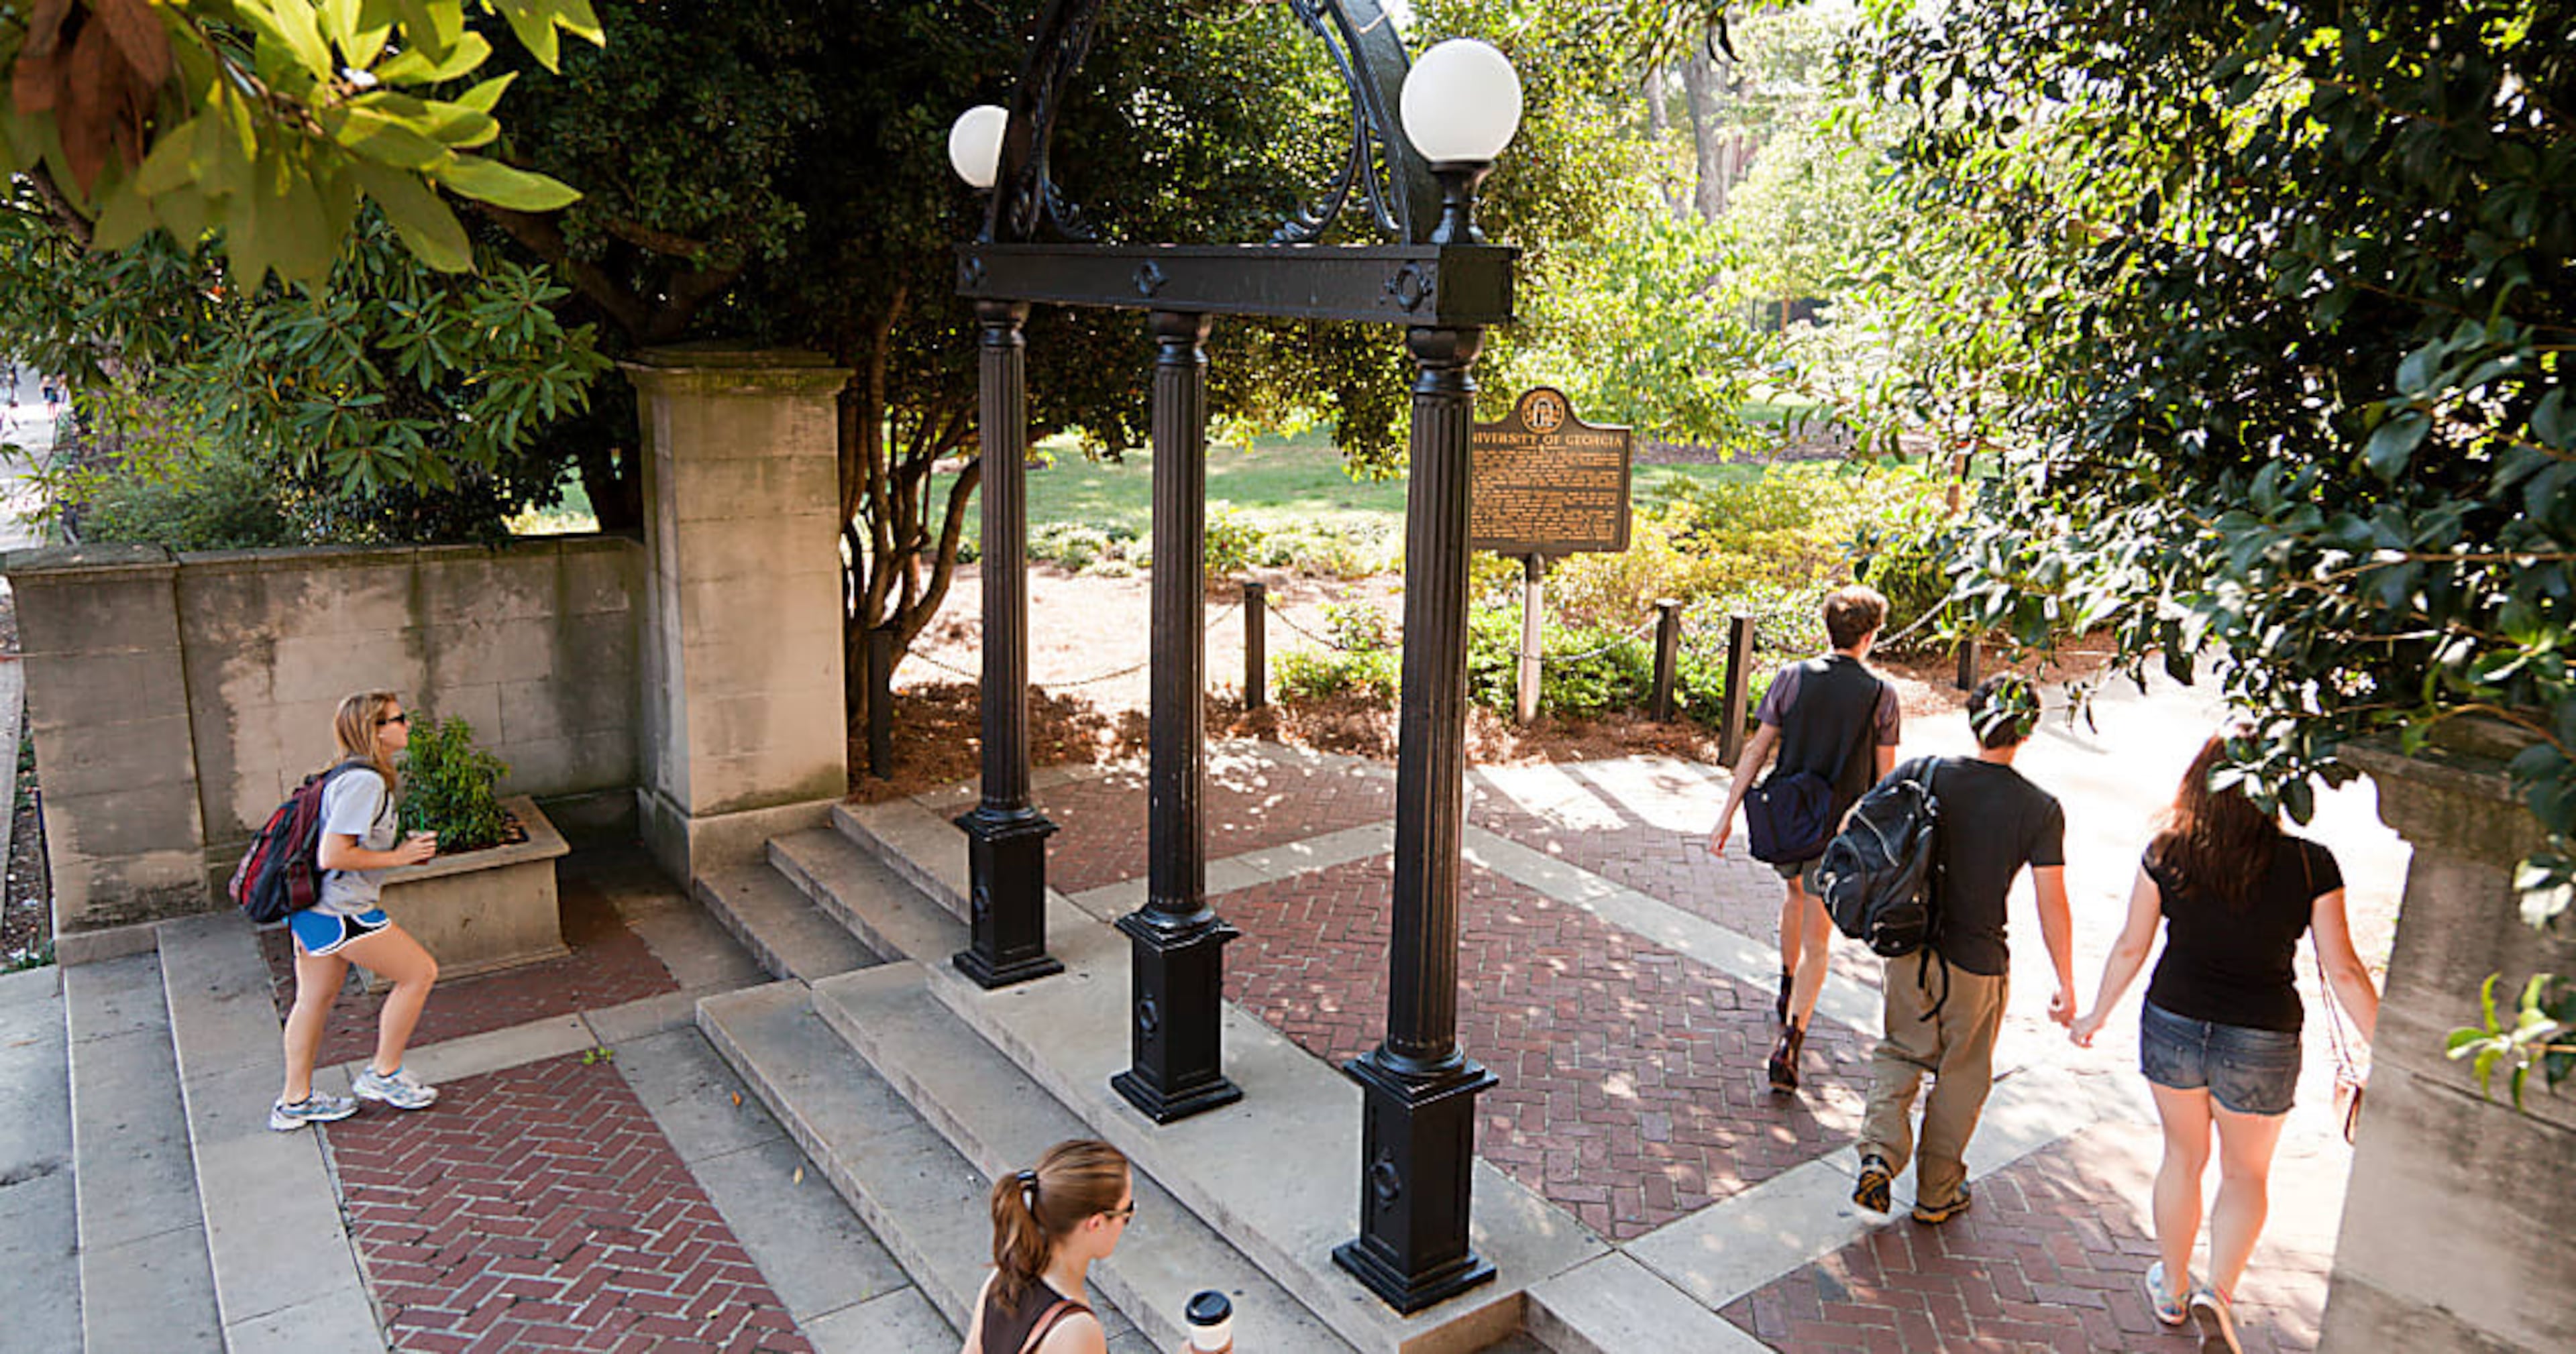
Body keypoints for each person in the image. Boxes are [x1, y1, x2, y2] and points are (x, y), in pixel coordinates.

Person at [2068, 732, 2379, 1353]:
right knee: (2246, 1173)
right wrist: (2391, 1051)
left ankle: (2174, 1290)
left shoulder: (2168, 850)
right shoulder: (2312, 865)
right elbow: (2342, 968)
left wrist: (2096, 1012)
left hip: (2174, 1019)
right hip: (2263, 1036)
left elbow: (2133, 943)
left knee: (2182, 1157)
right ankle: (2221, 1291)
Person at [1851, 673, 2075, 1224]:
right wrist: (2066, 980)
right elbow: (2053, 902)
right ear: (2027, 732)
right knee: (1963, 1073)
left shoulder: (1922, 774)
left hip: (1910, 947)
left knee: (1900, 1052)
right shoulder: (2039, 807)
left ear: (1973, 717)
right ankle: (1937, 1191)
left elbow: (1853, 830)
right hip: (1978, 961)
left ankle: (1879, 1154)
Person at [1708, 583, 1900, 1091]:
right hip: (1836, 833)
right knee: (1821, 939)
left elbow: (1756, 750)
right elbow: (1885, 782)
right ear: (1870, 634)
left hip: (1788, 819)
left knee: (1792, 892)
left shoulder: (1791, 677)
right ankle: (1792, 1037)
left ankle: (1786, 982)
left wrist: (1727, 814)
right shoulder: (1882, 695)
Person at [270, 691, 443, 1131]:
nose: (407, 725)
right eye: (398, 719)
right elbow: (334, 853)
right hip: (342, 910)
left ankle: (295, 1100)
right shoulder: (364, 781)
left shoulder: (344, 774)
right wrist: (400, 856)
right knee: (419, 972)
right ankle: (384, 1074)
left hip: (312, 910)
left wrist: (398, 855)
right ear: (376, 730)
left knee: (313, 999)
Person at [960, 1139, 1135, 1354]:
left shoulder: (1002, 1278)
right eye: (1127, 1211)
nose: (1129, 1218)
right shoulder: (1076, 1331)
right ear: (1096, 1223)